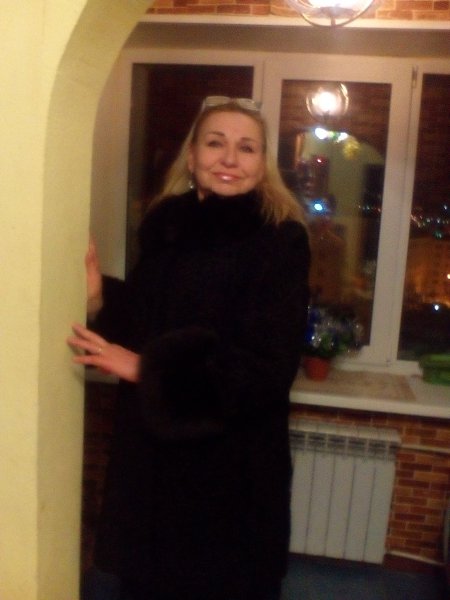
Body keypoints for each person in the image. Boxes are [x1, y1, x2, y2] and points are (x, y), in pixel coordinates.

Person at [68, 96, 310, 600]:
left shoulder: (280, 241)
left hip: (230, 469)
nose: (229, 158)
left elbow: (265, 369)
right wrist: (97, 295)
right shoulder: (168, 230)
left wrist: (148, 370)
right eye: (215, 143)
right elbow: (145, 321)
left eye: (247, 148)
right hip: (151, 461)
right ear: (193, 155)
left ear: (262, 163)